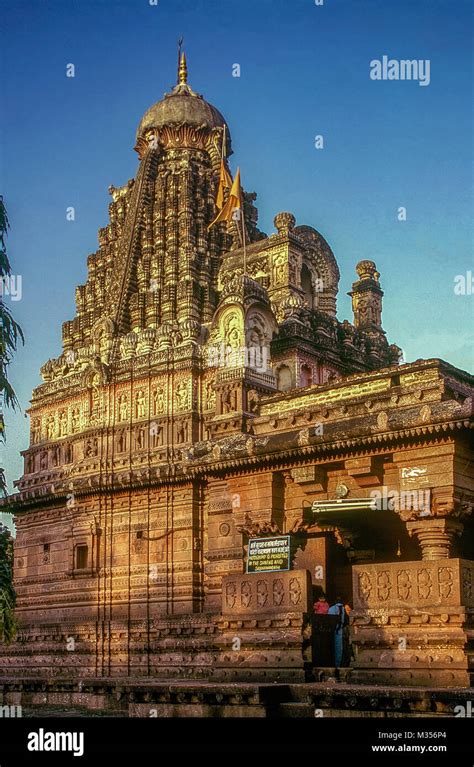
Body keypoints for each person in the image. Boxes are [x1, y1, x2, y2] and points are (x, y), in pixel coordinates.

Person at [328, 596, 346, 668]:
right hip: (340, 628)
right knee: (339, 647)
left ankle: (335, 663)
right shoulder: (343, 609)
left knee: (332, 646)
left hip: (332, 629)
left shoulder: (331, 609)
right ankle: (338, 663)